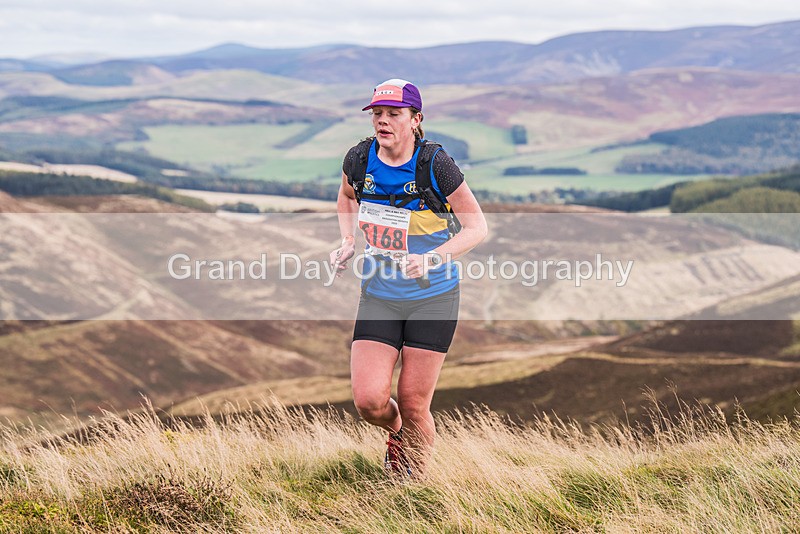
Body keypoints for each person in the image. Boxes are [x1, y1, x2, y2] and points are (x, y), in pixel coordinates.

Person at [329, 79, 487, 479]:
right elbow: (347, 197)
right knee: (368, 401)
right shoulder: (360, 159)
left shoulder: (434, 163)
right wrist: (348, 240)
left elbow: (477, 227)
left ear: (415, 120)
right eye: (377, 114)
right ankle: (397, 434)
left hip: (433, 296)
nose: (383, 121)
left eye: (393, 114)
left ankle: (412, 488)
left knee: (414, 403)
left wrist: (432, 258)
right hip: (380, 293)